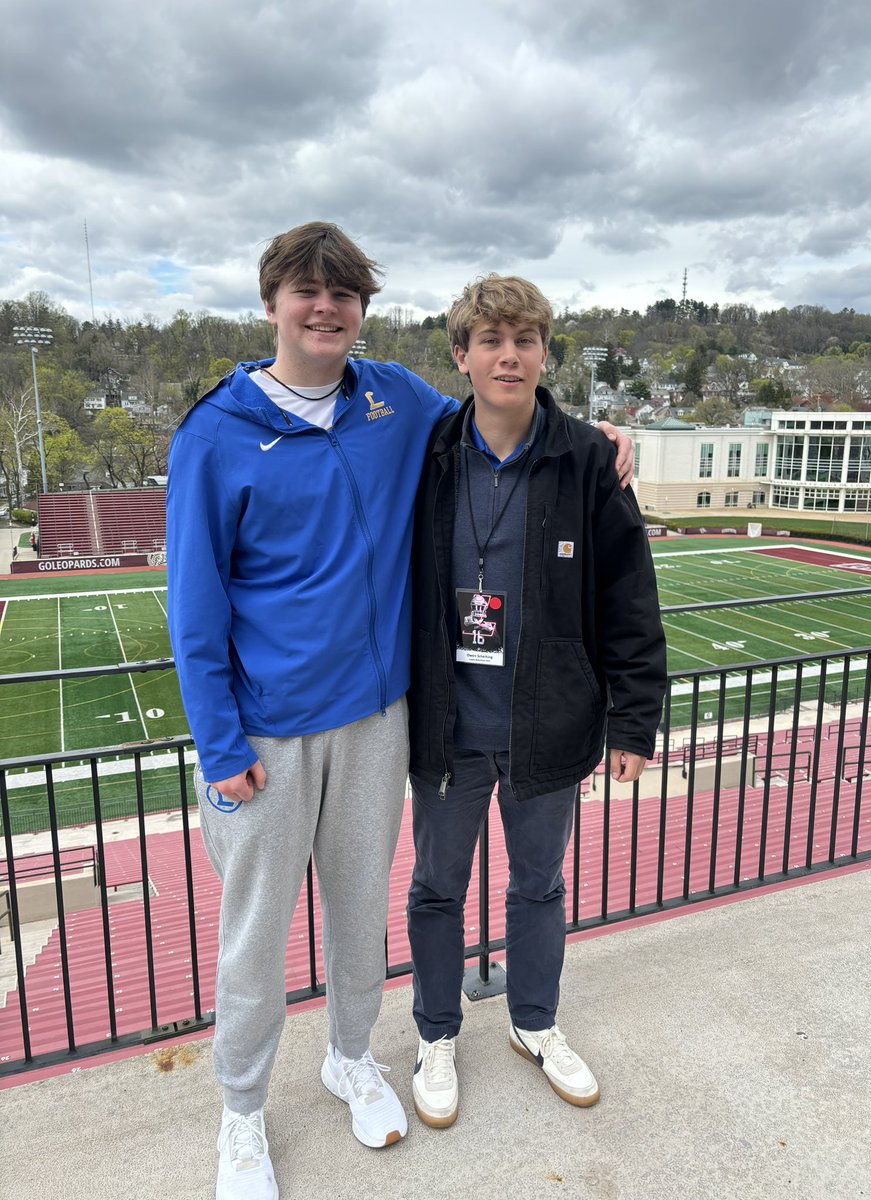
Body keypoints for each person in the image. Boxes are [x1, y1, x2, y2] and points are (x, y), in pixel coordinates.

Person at [166, 224, 634, 1199]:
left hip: (379, 719)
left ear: (362, 311)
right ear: (271, 305)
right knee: (254, 937)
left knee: (357, 921)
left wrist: (595, 444)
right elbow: (195, 605)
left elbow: (500, 414)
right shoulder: (216, 431)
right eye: (307, 291)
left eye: (344, 294)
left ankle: (349, 1058)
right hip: (265, 733)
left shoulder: (393, 400)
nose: (326, 308)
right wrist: (219, 744)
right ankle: (241, 1114)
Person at [406, 275, 666, 1129]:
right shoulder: (429, 452)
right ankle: (436, 1034)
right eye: (489, 339)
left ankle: (534, 1022)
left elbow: (631, 596)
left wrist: (634, 719)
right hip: (448, 727)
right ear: (461, 355)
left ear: (543, 353)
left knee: (540, 888)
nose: (507, 354)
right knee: (438, 888)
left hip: (547, 728)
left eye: (523, 339)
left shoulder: (589, 458)